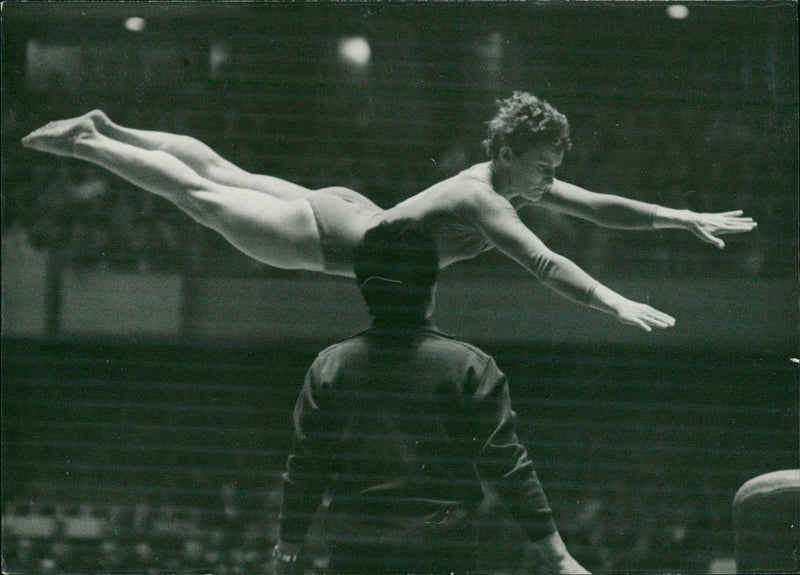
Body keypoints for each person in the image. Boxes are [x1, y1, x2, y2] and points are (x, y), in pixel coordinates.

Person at [21, 92, 756, 332]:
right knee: (198, 193)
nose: (554, 179)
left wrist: (680, 215)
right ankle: (90, 144)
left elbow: (598, 206)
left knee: (220, 170)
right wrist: (614, 299)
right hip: (328, 238)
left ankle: (110, 127)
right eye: (546, 165)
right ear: (510, 153)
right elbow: (541, 259)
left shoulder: (499, 181)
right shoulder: (481, 195)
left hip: (353, 213)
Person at [273, 219, 590, 574]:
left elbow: (306, 467)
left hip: (356, 553)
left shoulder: (329, 367)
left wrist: (288, 546)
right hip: (443, 550)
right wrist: (560, 559)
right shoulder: (470, 366)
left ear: (364, 288)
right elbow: (509, 468)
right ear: (431, 286)